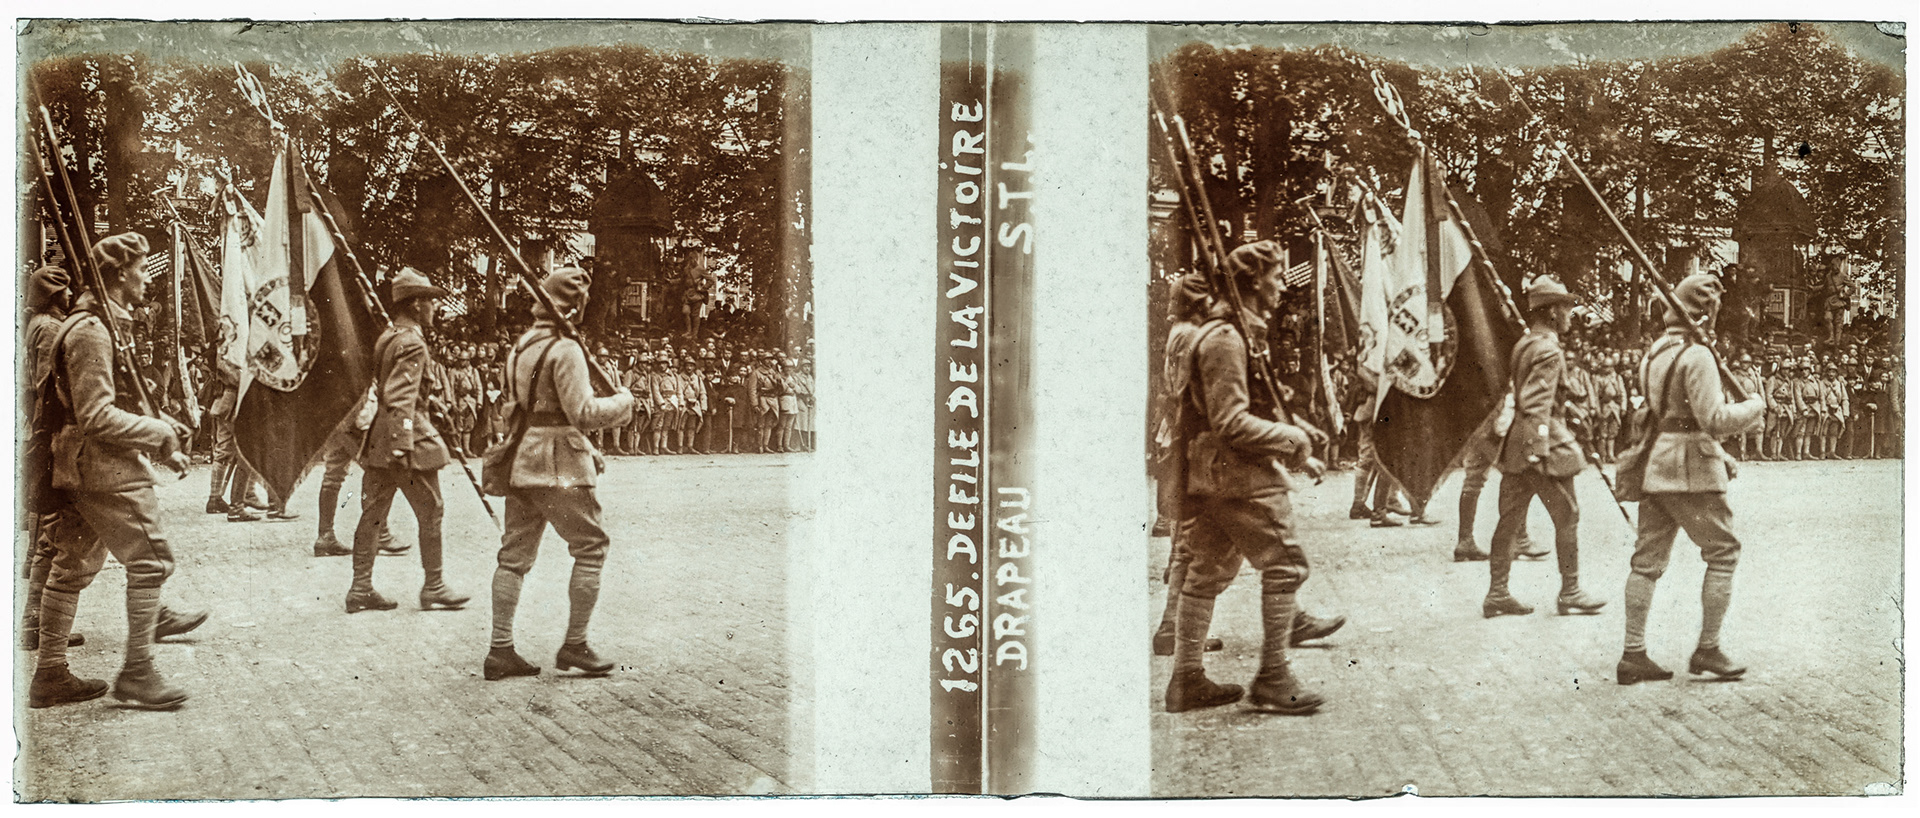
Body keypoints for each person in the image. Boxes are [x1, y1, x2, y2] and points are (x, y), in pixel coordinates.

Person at [1163, 241, 1342, 716]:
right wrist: (1290, 440)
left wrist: (1294, 431)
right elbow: (1230, 421)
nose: (1283, 285)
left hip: (1214, 474)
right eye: (1277, 275)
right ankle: (1274, 677)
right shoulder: (1225, 338)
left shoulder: (1232, 332)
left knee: (1206, 571)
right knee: (1286, 565)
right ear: (1252, 282)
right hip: (1237, 475)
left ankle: (1186, 679)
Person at [28, 233, 203, 709]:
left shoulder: (93, 324)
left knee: (70, 567)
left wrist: (159, 437)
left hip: (80, 466)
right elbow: (97, 415)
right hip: (103, 469)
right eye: (142, 269)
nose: (147, 278)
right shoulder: (91, 331)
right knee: (150, 562)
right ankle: (138, 673)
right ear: (119, 273)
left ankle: (49, 675)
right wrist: (160, 434)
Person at [485, 267, 635, 681]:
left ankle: (500, 650)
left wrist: (586, 446)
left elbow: (527, 410)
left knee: (513, 558)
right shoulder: (566, 349)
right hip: (559, 468)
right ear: (576, 306)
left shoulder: (520, 347)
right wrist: (623, 401)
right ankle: (575, 644)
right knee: (591, 548)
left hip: (521, 462)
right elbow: (583, 413)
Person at [1617, 274, 1765, 685]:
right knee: (1723, 553)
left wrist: (1719, 454)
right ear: (1708, 312)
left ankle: (1633, 654)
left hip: (1656, 466)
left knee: (1646, 563)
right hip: (1691, 473)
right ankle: (1708, 648)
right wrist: (1754, 406)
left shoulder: (1655, 353)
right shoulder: (1698, 355)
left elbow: (1666, 415)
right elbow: (1713, 420)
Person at [345, 268, 469, 613]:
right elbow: (400, 396)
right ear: (415, 305)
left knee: (373, 513)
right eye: (430, 301)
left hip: (379, 439)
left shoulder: (388, 336)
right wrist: (402, 443)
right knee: (432, 509)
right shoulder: (412, 341)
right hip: (403, 440)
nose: (435, 308)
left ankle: (360, 588)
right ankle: (434, 586)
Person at [1483, 277, 1605, 618]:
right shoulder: (1548, 349)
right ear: (1552, 312)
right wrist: (1538, 448)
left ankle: (1497, 592)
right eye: (1566, 308)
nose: (1570, 315)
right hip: (1540, 443)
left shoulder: (1524, 344)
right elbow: (1536, 403)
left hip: (1516, 443)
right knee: (1568, 515)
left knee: (1509, 519)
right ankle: (1571, 590)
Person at [311, 397, 398, 558]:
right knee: (379, 473)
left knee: (333, 475)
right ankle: (380, 533)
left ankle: (325, 535)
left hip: (335, 416)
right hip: (355, 419)